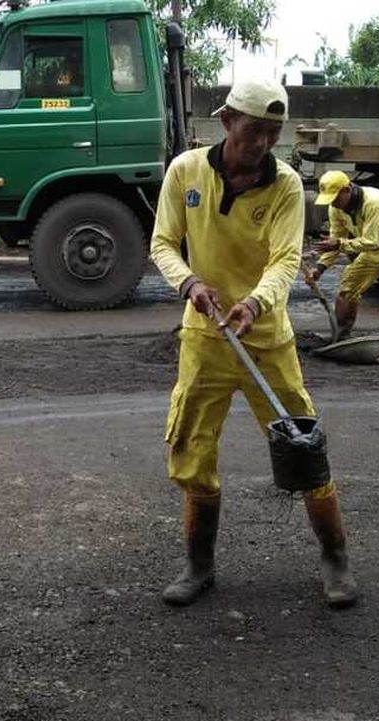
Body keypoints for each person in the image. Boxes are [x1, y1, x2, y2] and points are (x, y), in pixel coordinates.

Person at [150, 78, 359, 609]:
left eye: (273, 134)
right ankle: (199, 565)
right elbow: (163, 243)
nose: (263, 143)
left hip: (266, 337)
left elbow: (286, 259)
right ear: (226, 122)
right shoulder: (186, 171)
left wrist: (256, 303)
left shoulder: (286, 185)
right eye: (252, 131)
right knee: (192, 453)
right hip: (205, 336)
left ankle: (334, 557)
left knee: (303, 448)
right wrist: (191, 284)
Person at [308, 170, 379, 364]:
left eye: (335, 198)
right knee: (348, 285)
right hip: (375, 248)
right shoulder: (335, 208)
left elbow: (370, 241)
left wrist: (339, 244)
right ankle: (341, 333)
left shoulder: (373, 202)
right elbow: (335, 239)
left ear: (347, 190)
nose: (333, 203)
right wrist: (319, 269)